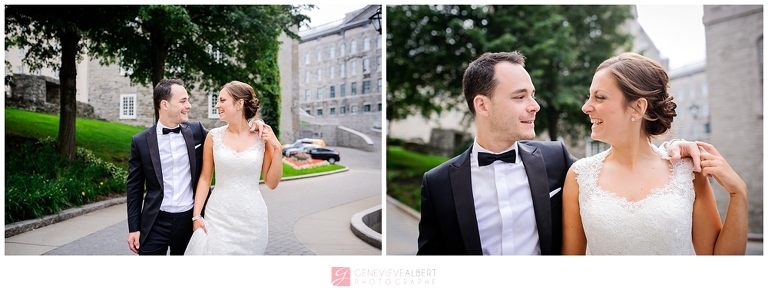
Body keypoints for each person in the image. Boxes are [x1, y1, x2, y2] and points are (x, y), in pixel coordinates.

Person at [417, 51, 703, 255]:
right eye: (520, 97)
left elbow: (624, 171)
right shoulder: (438, 183)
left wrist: (670, 150)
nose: (535, 105)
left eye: (533, 94)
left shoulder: (558, 161)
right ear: (482, 105)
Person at [562, 53, 748, 255]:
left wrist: (739, 194)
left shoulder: (687, 171)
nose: (586, 107)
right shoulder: (580, 176)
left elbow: (718, 263)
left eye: (600, 97)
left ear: (638, 107)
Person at [126, 79, 267, 255]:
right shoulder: (140, 142)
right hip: (155, 222)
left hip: (189, 222)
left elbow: (228, 139)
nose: (189, 106)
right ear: (165, 104)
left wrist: (255, 122)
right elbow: (134, 187)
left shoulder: (197, 131)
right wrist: (134, 228)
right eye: (183, 101)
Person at [184, 81, 282, 255]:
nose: (217, 105)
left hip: (253, 220)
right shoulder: (213, 137)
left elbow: (272, 183)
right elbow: (205, 178)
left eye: (222, 100)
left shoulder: (262, 137)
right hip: (218, 217)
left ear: (239, 103)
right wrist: (196, 215)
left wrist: (277, 148)